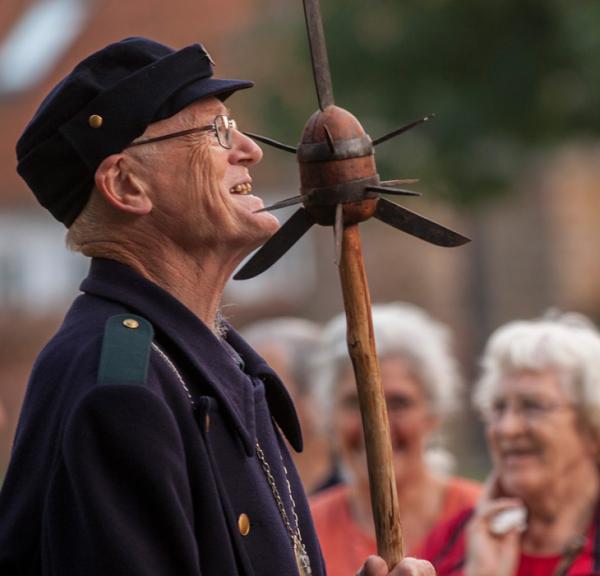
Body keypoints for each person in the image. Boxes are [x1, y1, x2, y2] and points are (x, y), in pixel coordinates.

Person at [0, 37, 435, 576]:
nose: (249, 149)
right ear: (126, 185)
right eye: (216, 132)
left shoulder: (208, 359)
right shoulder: (119, 388)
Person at [420, 312, 600, 575]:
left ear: (592, 429)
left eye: (533, 407)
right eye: (498, 407)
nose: (507, 428)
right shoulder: (454, 542)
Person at [310, 303, 481, 576]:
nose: (378, 426)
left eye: (399, 402)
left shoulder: (483, 521)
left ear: (433, 413)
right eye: (356, 403)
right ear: (330, 414)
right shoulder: (303, 531)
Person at [241, 317, 342, 494]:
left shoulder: (359, 497)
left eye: (264, 393)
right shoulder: (244, 493)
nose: (246, 406)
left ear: (314, 397)